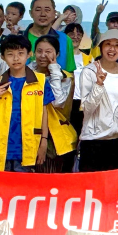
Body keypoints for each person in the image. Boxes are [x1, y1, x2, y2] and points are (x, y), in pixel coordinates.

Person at [0, 34, 52, 172]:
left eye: (20, 53)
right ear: (3, 57)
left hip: (28, 145)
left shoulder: (41, 81)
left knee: (24, 189)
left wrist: (44, 141)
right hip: (2, 146)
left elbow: (44, 113)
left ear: (29, 54)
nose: (16, 58)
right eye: (10, 54)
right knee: (0, 189)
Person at [77, 30, 118, 172]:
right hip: (93, 140)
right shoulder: (89, 72)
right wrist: (99, 85)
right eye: (108, 44)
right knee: (92, 190)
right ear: (101, 47)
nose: (112, 49)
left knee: (116, 188)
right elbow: (87, 108)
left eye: (117, 45)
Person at [31, 33, 78, 173]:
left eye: (48, 52)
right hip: (27, 130)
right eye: (39, 51)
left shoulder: (65, 78)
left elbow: (57, 102)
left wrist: (54, 71)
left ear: (57, 54)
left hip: (53, 134)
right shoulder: (25, 73)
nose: (43, 55)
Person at [25, 0, 76, 77]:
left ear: (54, 13)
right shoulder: (19, 40)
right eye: (38, 10)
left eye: (47, 10)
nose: (42, 14)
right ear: (31, 13)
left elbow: (70, 75)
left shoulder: (65, 39)